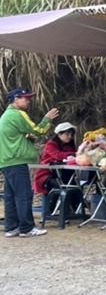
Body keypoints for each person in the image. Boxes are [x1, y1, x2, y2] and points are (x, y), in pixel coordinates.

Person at [2, 88, 59, 238]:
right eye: (25, 98)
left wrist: (27, 138)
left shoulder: (6, 116)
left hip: (6, 161)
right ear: (15, 99)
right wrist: (47, 119)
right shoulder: (17, 114)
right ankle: (27, 228)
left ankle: (11, 227)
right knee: (24, 195)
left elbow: (16, 136)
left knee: (10, 196)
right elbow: (38, 130)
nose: (28, 101)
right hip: (16, 160)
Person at [33, 122, 78, 194]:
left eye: (71, 134)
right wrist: (75, 154)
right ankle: (49, 205)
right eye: (67, 134)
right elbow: (58, 155)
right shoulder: (51, 144)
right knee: (55, 187)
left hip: (64, 173)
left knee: (74, 188)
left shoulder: (70, 145)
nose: (70, 136)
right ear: (59, 134)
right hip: (47, 173)